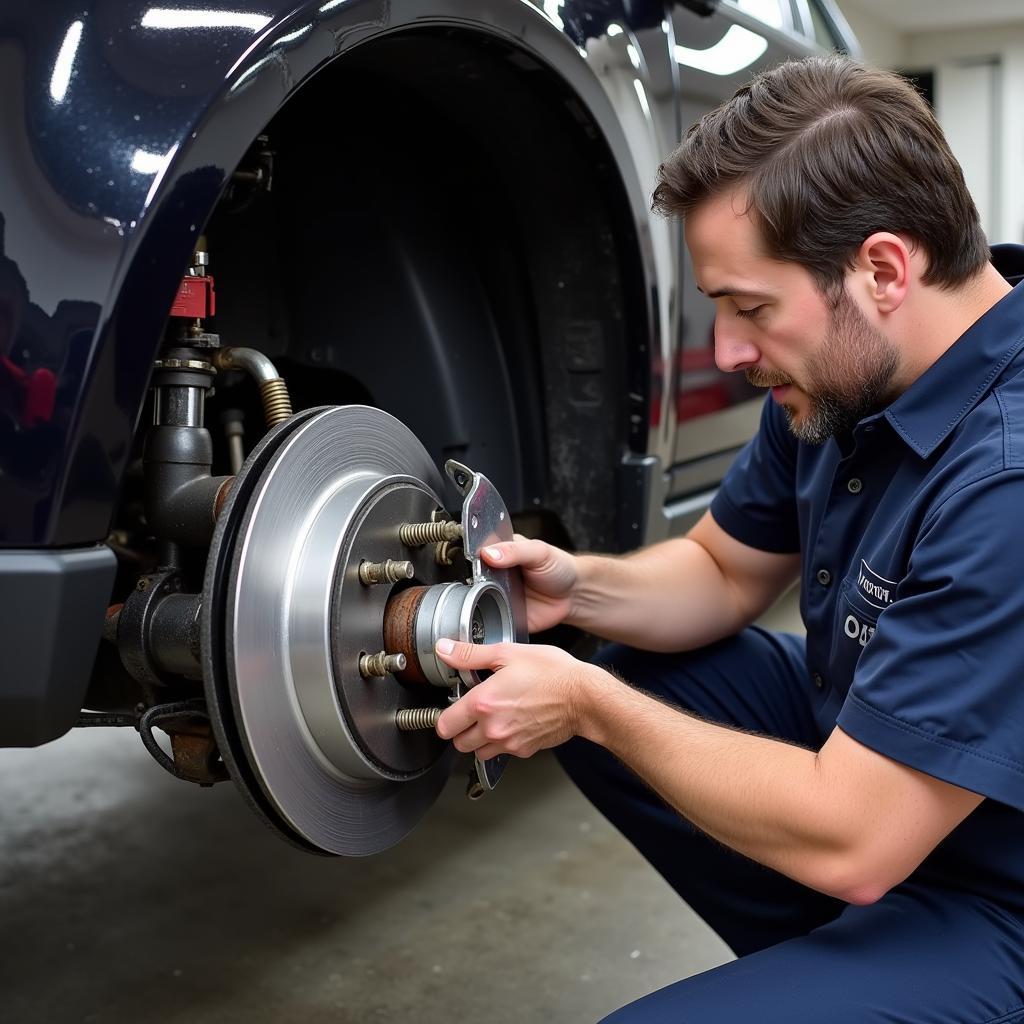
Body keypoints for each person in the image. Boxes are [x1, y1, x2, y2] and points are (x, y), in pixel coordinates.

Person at [434, 54, 1024, 1021]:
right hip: (884, 785)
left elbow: (857, 839)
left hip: (994, 894)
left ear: (882, 268)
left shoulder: (1006, 478)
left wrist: (588, 708)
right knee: (608, 655)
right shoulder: (850, 371)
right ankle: (840, 970)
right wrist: (573, 589)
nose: (729, 353)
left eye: (751, 309)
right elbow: (721, 568)